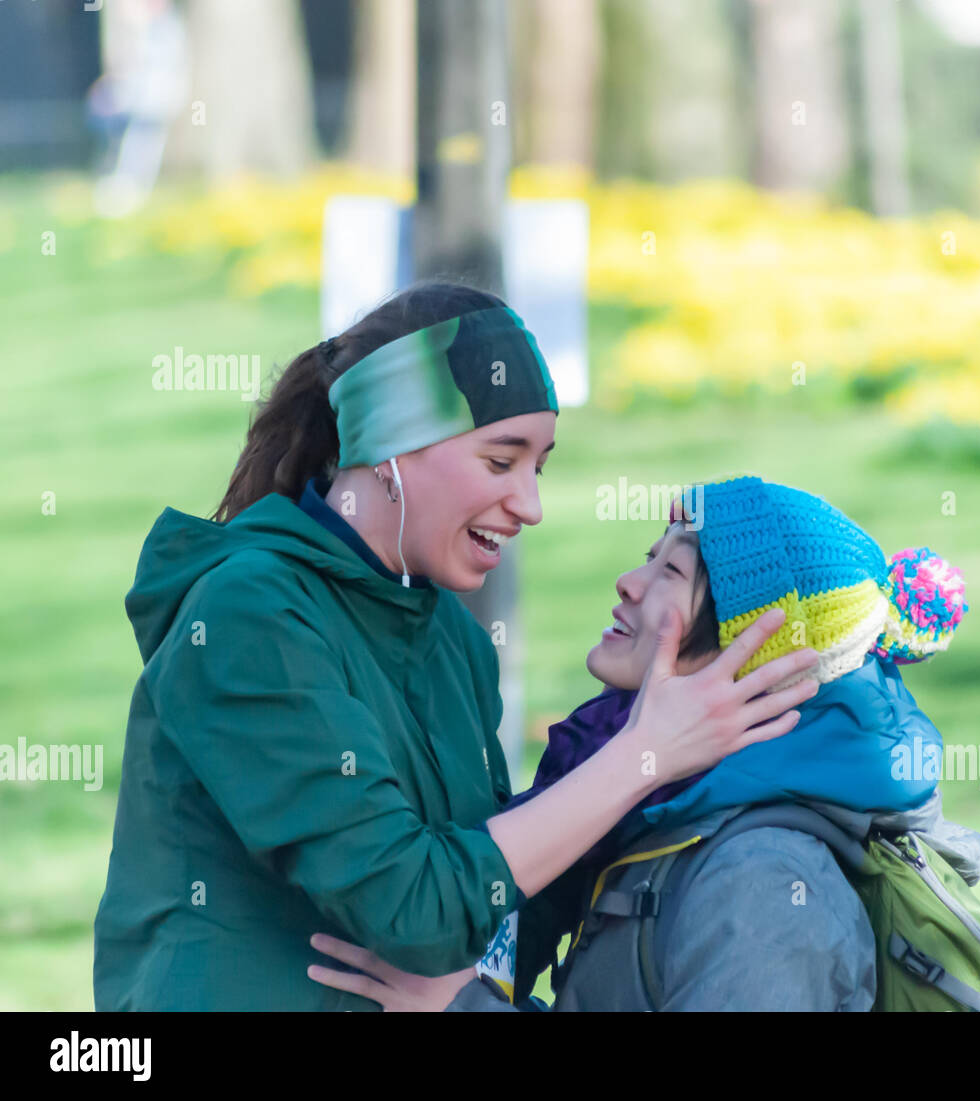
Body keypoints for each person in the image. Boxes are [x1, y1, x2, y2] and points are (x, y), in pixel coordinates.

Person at [92, 284, 819, 1010]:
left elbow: (488, 927)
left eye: (541, 467)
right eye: (502, 462)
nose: (530, 505)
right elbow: (413, 911)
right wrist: (641, 755)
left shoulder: (454, 641)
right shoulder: (248, 614)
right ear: (389, 450)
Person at [306, 475, 980, 1012]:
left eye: (672, 573)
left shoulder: (766, 885)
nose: (628, 583)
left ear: (754, 655)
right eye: (647, 558)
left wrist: (461, 1007)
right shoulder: (654, 801)